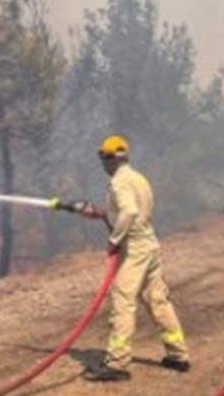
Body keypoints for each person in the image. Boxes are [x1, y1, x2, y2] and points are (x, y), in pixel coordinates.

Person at [80, 135, 191, 382]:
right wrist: (99, 213)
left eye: (103, 159)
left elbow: (129, 211)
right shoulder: (138, 178)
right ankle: (178, 355)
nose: (102, 164)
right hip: (149, 244)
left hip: (135, 250)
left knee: (122, 300)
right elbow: (132, 211)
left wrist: (114, 240)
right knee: (158, 300)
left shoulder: (119, 183)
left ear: (109, 159)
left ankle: (117, 363)